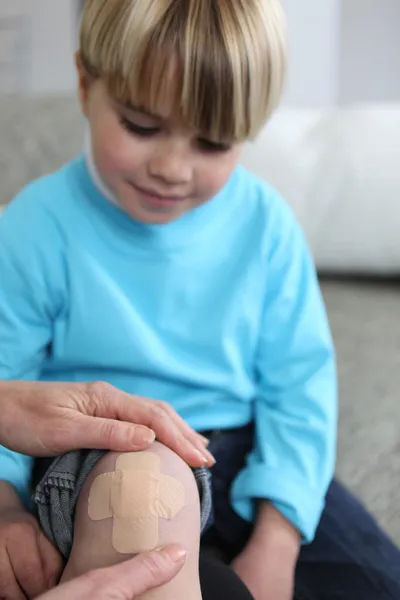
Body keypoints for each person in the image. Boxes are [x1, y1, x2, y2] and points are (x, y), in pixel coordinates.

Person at [1, 1, 399, 599]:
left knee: (373, 582)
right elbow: (8, 388)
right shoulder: (32, 226)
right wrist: (5, 508)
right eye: (141, 126)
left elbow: (300, 389)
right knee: (136, 523)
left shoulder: (267, 226)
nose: (172, 168)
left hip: (241, 451)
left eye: (212, 143)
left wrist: (278, 538)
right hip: (103, 445)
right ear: (85, 85)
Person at [0, 382, 253, 600]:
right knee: (141, 486)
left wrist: (278, 539)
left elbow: (291, 395)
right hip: (77, 426)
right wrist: (4, 499)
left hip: (234, 447)